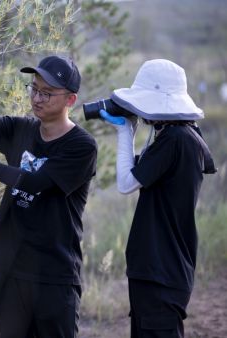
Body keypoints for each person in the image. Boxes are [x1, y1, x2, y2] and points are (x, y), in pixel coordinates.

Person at [0, 55, 97, 337]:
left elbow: (34, 182)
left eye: (47, 93)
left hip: (53, 275)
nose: (37, 98)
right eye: (34, 88)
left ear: (70, 100)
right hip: (10, 270)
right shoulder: (22, 129)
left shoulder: (81, 146)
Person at [100, 59, 217, 338]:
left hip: (160, 270)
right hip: (160, 268)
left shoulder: (175, 138)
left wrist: (124, 132)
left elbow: (127, 183)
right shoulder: (185, 135)